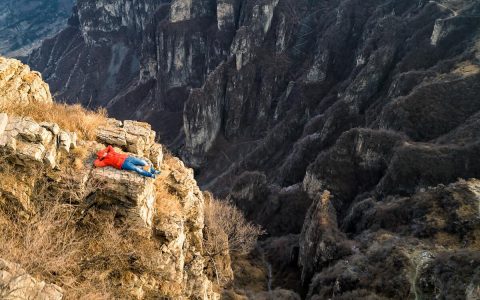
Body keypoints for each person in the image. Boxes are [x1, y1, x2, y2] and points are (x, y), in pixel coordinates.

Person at [94, 145, 160, 178]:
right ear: (102, 157)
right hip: (123, 164)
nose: (104, 154)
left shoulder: (111, 152)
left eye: (103, 153)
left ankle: (153, 171)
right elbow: (96, 163)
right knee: (137, 169)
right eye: (103, 154)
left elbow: (109, 147)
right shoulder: (105, 161)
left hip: (127, 158)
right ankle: (151, 175)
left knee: (142, 162)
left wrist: (104, 151)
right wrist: (99, 158)